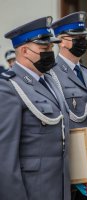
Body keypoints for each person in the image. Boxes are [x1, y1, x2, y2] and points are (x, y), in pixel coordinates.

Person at [0, 16, 70, 200]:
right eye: (44, 48)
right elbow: (4, 156)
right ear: (24, 50)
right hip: (32, 190)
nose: (50, 52)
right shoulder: (8, 87)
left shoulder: (49, 82)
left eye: (51, 47)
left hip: (59, 187)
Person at [50, 11, 87, 200]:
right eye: (76, 38)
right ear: (62, 41)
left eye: (84, 37)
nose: (82, 41)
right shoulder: (52, 74)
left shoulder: (85, 73)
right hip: (70, 161)